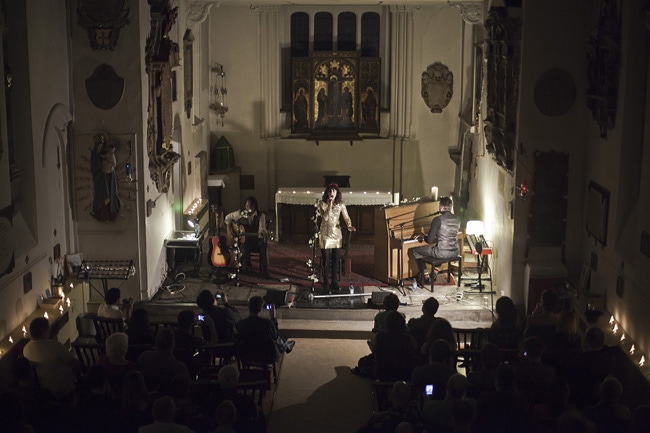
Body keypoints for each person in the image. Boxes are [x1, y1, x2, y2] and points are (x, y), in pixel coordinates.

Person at [22, 317, 80, 400]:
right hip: (63, 388)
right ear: (44, 332)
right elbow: (74, 364)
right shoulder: (54, 346)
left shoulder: (26, 349)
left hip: (45, 389)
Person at [410, 196, 461, 287]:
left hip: (442, 252)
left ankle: (425, 276)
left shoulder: (437, 220)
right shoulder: (457, 219)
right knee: (439, 247)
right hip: (455, 252)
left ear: (441, 207)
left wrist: (423, 235)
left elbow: (429, 240)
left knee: (415, 250)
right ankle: (434, 272)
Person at [316, 183, 356, 293]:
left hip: (336, 233)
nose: (331, 193)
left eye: (333, 191)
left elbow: (346, 217)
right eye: (329, 191)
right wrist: (329, 204)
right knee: (326, 260)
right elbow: (325, 218)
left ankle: (334, 281)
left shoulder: (341, 204)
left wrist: (349, 226)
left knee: (335, 259)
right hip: (325, 234)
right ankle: (325, 282)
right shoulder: (322, 204)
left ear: (337, 193)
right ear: (326, 193)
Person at [236, 295, 295, 366]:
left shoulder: (240, 324)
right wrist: (273, 318)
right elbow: (275, 336)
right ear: (260, 309)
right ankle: (285, 345)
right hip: (266, 356)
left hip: (246, 355)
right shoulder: (267, 323)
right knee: (275, 339)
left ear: (249, 307)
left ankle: (285, 345)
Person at [224, 196, 270, 279]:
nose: (248, 209)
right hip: (246, 240)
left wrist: (261, 233)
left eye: (250, 207)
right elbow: (227, 218)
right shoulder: (240, 214)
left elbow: (262, 228)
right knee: (244, 247)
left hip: (256, 240)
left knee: (263, 246)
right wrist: (230, 229)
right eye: (246, 206)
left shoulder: (261, 215)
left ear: (254, 207)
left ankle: (265, 270)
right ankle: (246, 266)